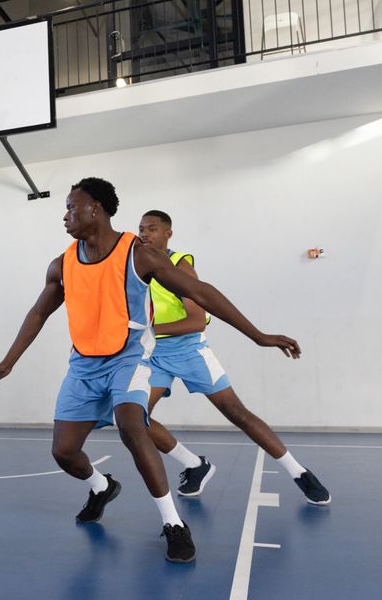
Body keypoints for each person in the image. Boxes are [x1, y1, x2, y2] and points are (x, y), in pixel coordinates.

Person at [0, 178, 302, 563]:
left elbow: (203, 294)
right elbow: (38, 313)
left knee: (132, 423)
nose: (65, 216)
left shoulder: (138, 254)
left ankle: (173, 524)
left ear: (95, 208)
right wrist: (8, 361)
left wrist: (259, 336)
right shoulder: (61, 263)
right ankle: (101, 487)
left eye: (71, 207)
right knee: (64, 453)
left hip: (128, 359)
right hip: (83, 365)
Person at [138, 210, 330, 504]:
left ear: (168, 233)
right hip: (155, 353)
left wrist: (149, 330)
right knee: (136, 419)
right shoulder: (139, 267)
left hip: (189, 350)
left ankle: (299, 472)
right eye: (141, 228)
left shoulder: (180, 265)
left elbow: (196, 321)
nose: (145, 233)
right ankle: (194, 465)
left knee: (236, 412)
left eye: (152, 228)